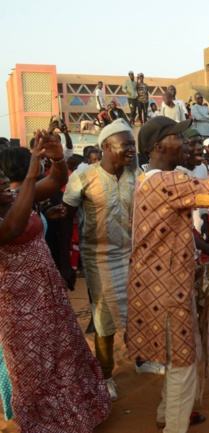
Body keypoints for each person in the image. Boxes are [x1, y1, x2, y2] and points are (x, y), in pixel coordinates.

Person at [0, 130, 111, 432]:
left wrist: (57, 157)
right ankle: (44, 424)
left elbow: (56, 181)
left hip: (47, 291)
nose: (0, 178)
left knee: (63, 353)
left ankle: (75, 415)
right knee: (33, 366)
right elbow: (13, 227)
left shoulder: (14, 196)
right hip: (18, 304)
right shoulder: (14, 202)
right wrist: (32, 170)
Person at [127, 117, 209, 432]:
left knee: (174, 361)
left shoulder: (149, 179)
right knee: (182, 366)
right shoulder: (165, 182)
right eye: (177, 137)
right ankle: (174, 426)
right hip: (167, 292)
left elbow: (183, 231)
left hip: (157, 287)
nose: (185, 142)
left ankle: (164, 415)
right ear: (159, 146)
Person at [61, 120, 164, 401]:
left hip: (135, 256)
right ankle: (105, 374)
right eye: (126, 144)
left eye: (132, 144)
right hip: (99, 258)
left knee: (142, 312)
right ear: (106, 146)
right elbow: (66, 219)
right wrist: (67, 265)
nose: (132, 149)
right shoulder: (83, 177)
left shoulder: (138, 177)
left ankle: (143, 360)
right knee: (105, 321)